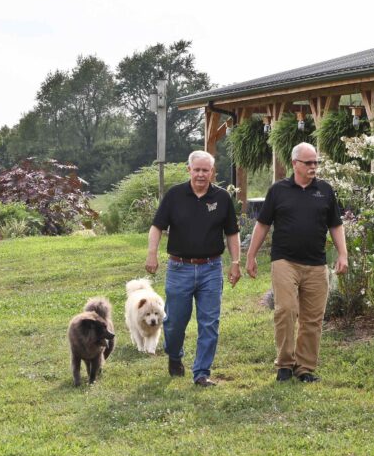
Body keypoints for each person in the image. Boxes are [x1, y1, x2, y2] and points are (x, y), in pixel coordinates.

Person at [245, 142, 348, 383]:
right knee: (286, 310)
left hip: (316, 263)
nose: (313, 167)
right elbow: (262, 224)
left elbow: (336, 225)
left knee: (313, 318)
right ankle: (284, 364)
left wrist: (343, 254)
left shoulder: (325, 190)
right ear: (294, 164)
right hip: (285, 261)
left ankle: (305, 369)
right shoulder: (278, 190)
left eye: (316, 163)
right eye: (308, 163)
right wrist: (250, 255)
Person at [146, 150, 241, 387]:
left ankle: (201, 373)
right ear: (189, 170)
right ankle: (175, 355)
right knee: (175, 322)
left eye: (205, 170)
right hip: (180, 268)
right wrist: (152, 254)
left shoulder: (222, 198)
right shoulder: (175, 195)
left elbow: (232, 233)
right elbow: (157, 227)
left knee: (209, 322)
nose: (201, 174)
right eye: (196, 170)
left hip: (211, 268)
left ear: (212, 172)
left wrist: (236, 263)